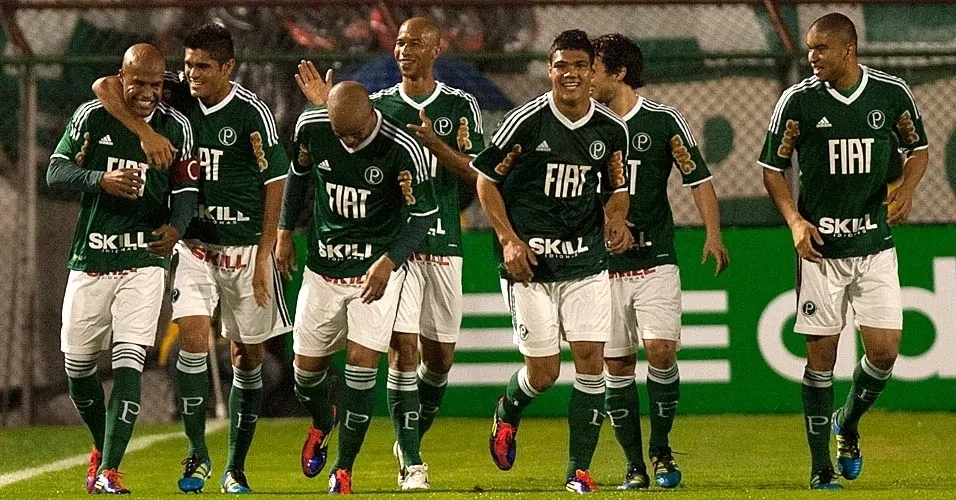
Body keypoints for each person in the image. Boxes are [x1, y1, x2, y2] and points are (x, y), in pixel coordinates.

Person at [93, 24, 291, 494]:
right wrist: (142, 131)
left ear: (227, 67)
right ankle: (198, 452)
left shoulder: (252, 114)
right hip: (195, 245)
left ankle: (235, 466)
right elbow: (103, 86)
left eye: (203, 66)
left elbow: (275, 181)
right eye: (187, 64)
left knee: (248, 356)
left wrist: (266, 252)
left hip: (244, 249)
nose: (191, 73)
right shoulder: (175, 96)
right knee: (193, 341)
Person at [294, 16, 485, 486]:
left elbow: (481, 176)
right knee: (402, 350)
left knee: (438, 361)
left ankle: (410, 434)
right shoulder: (376, 106)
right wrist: (327, 106)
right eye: (399, 42)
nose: (403, 50)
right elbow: (345, 139)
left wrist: (438, 146)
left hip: (442, 241)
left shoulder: (461, 107)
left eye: (414, 43)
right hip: (393, 250)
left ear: (436, 49)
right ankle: (412, 460)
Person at [758, 13, 928, 490]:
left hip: (874, 247)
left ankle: (847, 423)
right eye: (809, 49)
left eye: (821, 49)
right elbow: (772, 168)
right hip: (821, 252)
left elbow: (919, 150)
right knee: (820, 362)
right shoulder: (798, 101)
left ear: (848, 50)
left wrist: (908, 190)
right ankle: (819, 468)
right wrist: (794, 221)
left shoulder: (890, 94)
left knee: (885, 352)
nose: (811, 57)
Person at [470, 29, 631, 493]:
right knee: (544, 371)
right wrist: (508, 240)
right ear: (550, 69)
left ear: (592, 71)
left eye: (580, 65)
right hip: (531, 266)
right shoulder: (526, 122)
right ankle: (508, 411)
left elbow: (617, 190)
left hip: (586, 262)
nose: (571, 74)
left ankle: (577, 471)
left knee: (590, 361)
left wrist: (616, 219)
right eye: (562, 65)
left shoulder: (609, 130)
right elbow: (485, 180)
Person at [49, 43, 198, 495]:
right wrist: (100, 180)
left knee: (129, 362)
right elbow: (55, 171)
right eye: (139, 83)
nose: (149, 93)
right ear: (122, 77)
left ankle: (110, 471)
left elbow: (187, 189)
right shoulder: (93, 116)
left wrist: (175, 227)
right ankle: (103, 446)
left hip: (144, 260)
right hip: (91, 258)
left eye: (157, 84)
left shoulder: (178, 128)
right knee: (78, 370)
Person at [276, 81, 438, 494]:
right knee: (305, 375)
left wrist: (390, 261)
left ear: (370, 113)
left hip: (374, 272)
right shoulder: (312, 128)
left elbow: (422, 216)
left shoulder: (403, 148)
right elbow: (296, 177)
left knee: (362, 364)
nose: (347, 140)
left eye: (355, 132)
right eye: (340, 132)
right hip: (323, 269)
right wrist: (282, 232)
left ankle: (344, 468)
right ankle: (321, 420)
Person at [589, 33, 730, 490]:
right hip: (602, 266)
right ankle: (634, 463)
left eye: (594, 68)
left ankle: (661, 447)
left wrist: (712, 233)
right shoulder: (582, 125)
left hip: (657, 259)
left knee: (662, 352)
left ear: (619, 72)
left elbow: (699, 179)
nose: (586, 77)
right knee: (618, 366)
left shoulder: (663, 121)